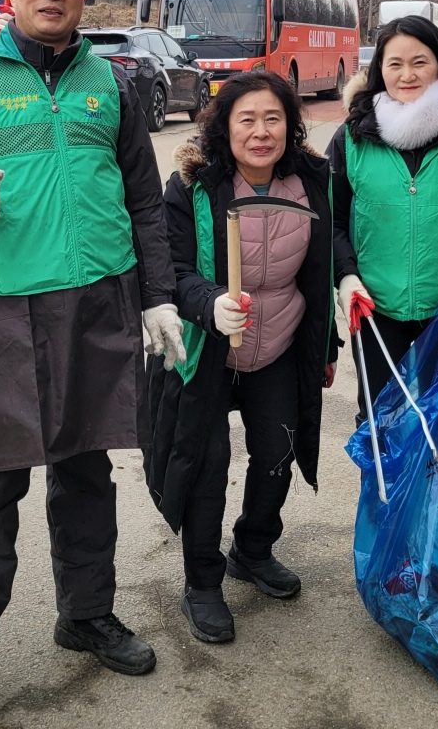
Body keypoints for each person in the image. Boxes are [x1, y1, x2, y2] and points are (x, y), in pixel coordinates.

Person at [0, 0, 183, 729]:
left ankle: (85, 614)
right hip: (6, 303)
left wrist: (158, 297)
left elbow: (142, 199)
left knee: (87, 472)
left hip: (99, 299)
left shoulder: (112, 84)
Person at [147, 70, 339, 645]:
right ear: (223, 128)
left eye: (273, 119)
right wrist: (208, 304)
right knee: (206, 467)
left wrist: (324, 345)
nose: (261, 132)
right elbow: (172, 270)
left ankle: (253, 549)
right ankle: (202, 583)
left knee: (277, 451)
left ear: (291, 125)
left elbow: (322, 268)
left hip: (277, 342)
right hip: (206, 347)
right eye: (247, 120)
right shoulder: (191, 186)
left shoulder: (313, 179)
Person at [327, 15, 438, 415]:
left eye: (419, 61)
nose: (407, 74)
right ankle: (381, 483)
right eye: (395, 63)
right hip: (374, 311)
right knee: (382, 426)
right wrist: (346, 277)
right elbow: (330, 221)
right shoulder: (353, 139)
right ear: (380, 69)